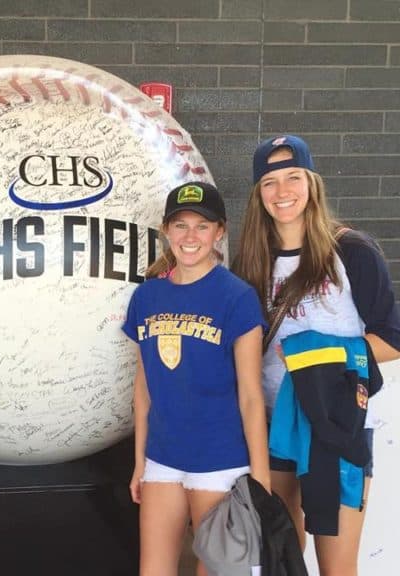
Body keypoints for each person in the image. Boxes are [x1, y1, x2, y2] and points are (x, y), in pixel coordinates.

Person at [232, 134, 400, 575]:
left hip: (335, 426)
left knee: (336, 567)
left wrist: (320, 357)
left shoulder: (352, 251)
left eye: (293, 177)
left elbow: (393, 338)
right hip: (272, 427)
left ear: (312, 183)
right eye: (269, 182)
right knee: (282, 563)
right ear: (258, 194)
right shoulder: (251, 261)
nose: (282, 191)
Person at [123, 181, 270, 576]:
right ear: (166, 231)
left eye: (202, 226)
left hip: (220, 463)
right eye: (181, 225)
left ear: (219, 231)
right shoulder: (146, 297)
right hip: (162, 460)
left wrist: (260, 480)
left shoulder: (237, 297)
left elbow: (251, 397)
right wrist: (139, 462)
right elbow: (143, 390)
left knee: (218, 572)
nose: (190, 236)